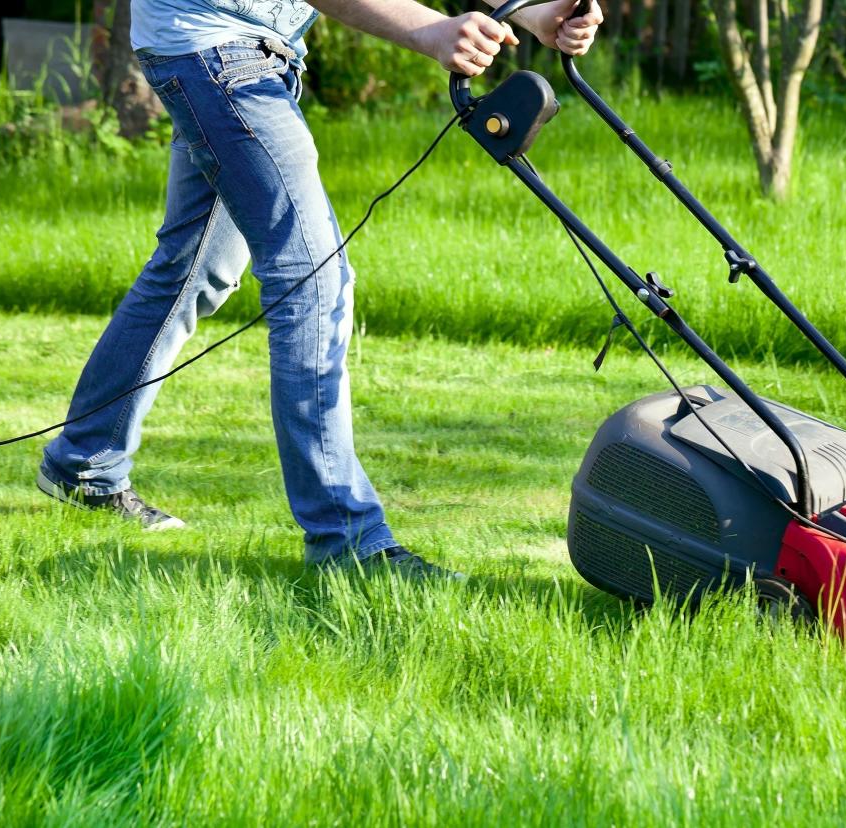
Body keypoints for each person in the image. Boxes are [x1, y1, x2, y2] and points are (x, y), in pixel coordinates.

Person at [36, 0, 603, 576]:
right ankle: (347, 541)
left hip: (248, 49)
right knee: (311, 280)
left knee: (193, 271)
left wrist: (535, 10)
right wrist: (432, 31)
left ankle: (84, 463)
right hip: (213, 47)